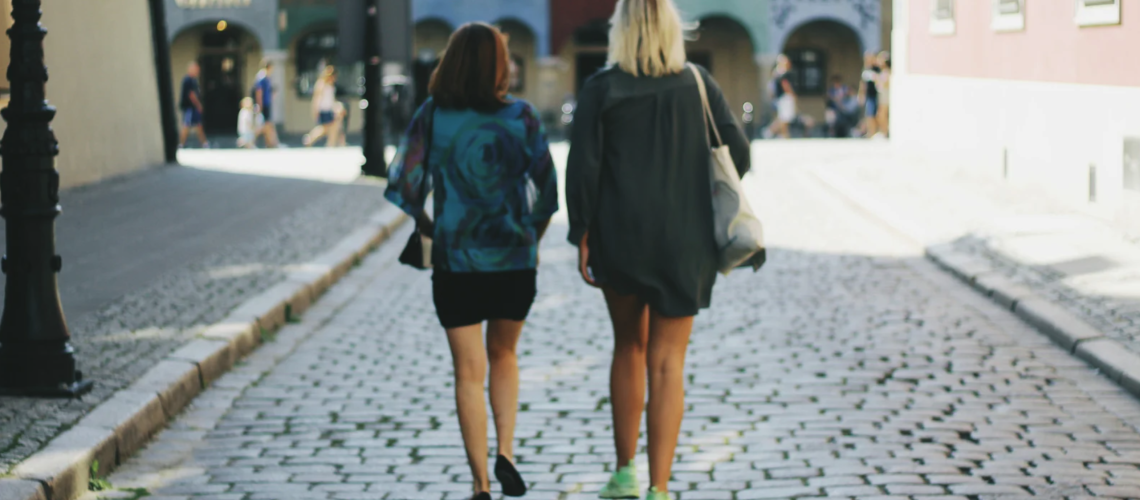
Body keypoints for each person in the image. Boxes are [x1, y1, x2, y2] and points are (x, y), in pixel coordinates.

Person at [565, 0, 751, 499]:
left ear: (620, 31)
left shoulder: (602, 88)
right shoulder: (698, 83)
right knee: (669, 362)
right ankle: (660, 488)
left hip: (621, 238)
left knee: (629, 346)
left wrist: (580, 232)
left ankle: (625, 474)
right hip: (686, 242)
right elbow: (739, 152)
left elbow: (582, 169)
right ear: (673, 28)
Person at [383, 22, 557, 500]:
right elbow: (548, 193)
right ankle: (506, 451)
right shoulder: (522, 117)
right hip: (514, 260)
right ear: (499, 66)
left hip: (456, 263)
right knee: (505, 356)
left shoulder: (432, 116)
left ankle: (480, 484)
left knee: (468, 372)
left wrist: (431, 226)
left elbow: (403, 186)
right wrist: (532, 239)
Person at [302, 66, 340, 147]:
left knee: (331, 127)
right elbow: (316, 99)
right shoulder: (321, 84)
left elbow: (331, 98)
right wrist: (315, 110)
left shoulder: (331, 85)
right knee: (324, 128)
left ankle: (330, 144)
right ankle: (309, 139)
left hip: (329, 109)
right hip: (323, 109)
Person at [178, 61, 208, 148]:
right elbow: (191, 95)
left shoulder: (193, 80)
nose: (197, 71)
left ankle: (204, 143)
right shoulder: (188, 80)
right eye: (196, 69)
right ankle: (181, 143)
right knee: (186, 125)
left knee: (198, 124)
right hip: (189, 107)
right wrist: (198, 105)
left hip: (193, 108)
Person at [767, 54, 795, 139]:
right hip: (784, 97)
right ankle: (772, 132)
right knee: (783, 118)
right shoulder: (782, 72)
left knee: (783, 117)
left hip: (779, 98)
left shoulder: (776, 73)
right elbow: (785, 85)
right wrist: (792, 94)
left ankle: (781, 134)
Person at [251, 60, 279, 148]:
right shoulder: (261, 77)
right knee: (265, 125)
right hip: (263, 104)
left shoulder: (267, 77)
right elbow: (259, 92)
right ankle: (250, 139)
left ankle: (270, 143)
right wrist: (260, 105)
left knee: (267, 124)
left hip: (267, 103)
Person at [858, 52, 881, 138]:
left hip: (876, 94)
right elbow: (863, 83)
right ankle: (871, 132)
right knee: (869, 114)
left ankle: (876, 131)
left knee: (875, 114)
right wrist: (861, 93)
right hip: (869, 95)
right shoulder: (865, 69)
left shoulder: (876, 69)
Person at [876, 51, 891, 139]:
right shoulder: (882, 71)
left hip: (886, 95)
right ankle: (884, 131)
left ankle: (885, 132)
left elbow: (885, 84)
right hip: (883, 95)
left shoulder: (887, 72)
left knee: (882, 114)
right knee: (881, 114)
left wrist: (877, 79)